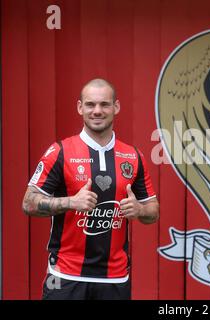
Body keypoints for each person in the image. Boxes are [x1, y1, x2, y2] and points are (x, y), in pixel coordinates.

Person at [22, 78, 159, 300]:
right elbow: (28, 202)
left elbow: (153, 210)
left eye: (104, 104)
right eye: (90, 105)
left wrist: (140, 210)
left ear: (116, 107)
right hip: (64, 276)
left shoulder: (133, 156)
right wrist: (70, 202)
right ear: (79, 107)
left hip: (114, 279)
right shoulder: (60, 151)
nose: (97, 111)